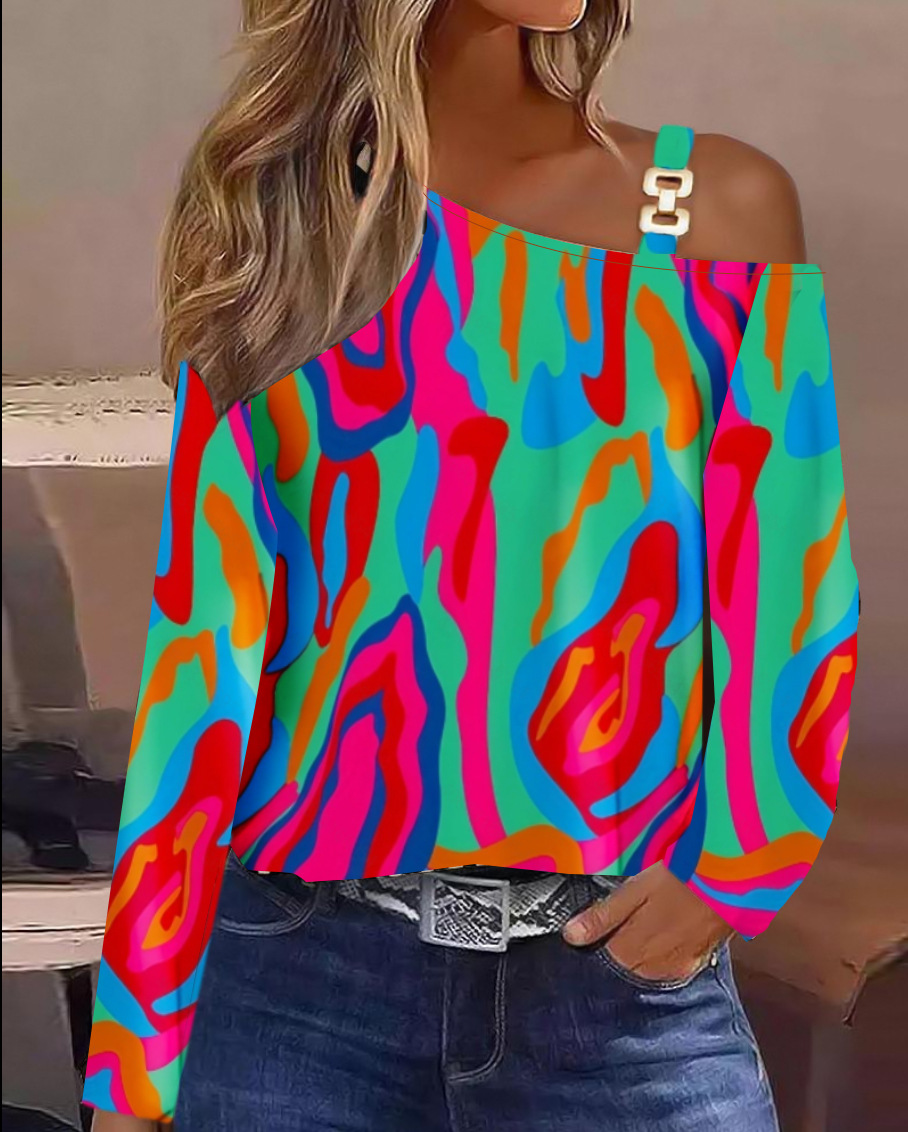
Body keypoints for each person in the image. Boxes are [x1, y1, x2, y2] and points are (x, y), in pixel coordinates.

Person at [84, 1, 861, 1129]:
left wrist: (734, 870)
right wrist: (135, 1049)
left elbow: (788, 593)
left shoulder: (708, 208)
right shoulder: (280, 213)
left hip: (614, 992)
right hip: (296, 981)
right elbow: (207, 643)